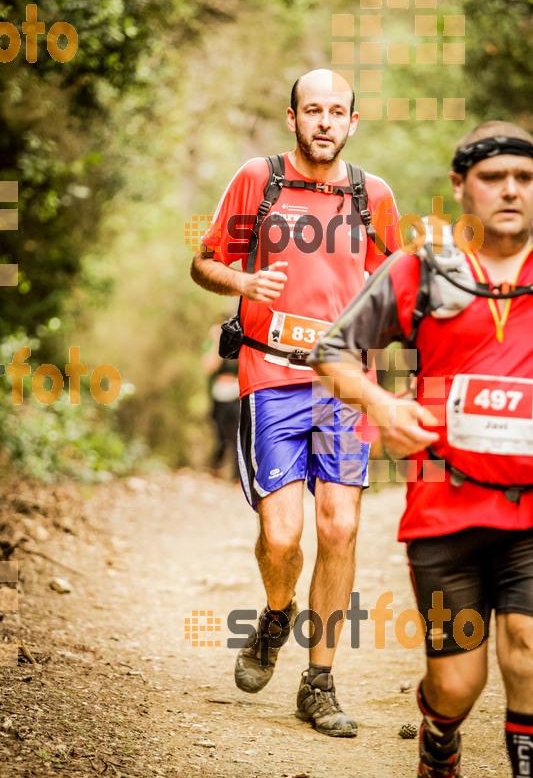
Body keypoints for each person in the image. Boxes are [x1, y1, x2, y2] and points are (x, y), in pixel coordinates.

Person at [308, 121, 533, 774]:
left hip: (529, 510)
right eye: (494, 178)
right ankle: (439, 736)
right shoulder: (420, 271)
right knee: (456, 686)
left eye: (524, 178)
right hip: (444, 508)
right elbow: (333, 353)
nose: (511, 191)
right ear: (460, 186)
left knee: (524, 645)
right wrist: (381, 404)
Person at [190, 69, 399, 737]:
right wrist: (243, 280)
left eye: (337, 111)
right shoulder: (260, 178)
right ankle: (275, 615)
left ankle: (320, 682)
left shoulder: (374, 195)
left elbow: (401, 285)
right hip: (270, 375)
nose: (324, 122)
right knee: (281, 537)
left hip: (342, 386)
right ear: (292, 117)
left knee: (338, 527)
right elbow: (203, 261)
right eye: (313, 110)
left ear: (352, 123)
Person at [202, 322, 240, 481]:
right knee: (221, 437)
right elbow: (209, 367)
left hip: (236, 396)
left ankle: (237, 477)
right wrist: (217, 341)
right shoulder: (210, 345)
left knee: (237, 435)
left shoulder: (240, 343)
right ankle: (215, 468)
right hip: (219, 398)